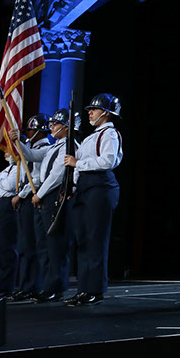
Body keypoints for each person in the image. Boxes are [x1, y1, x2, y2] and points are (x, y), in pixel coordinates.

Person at [63, 93, 123, 306]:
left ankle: (95, 289)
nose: (90, 113)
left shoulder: (110, 134)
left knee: (95, 240)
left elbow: (107, 161)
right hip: (86, 187)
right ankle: (84, 288)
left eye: (94, 109)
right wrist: (73, 186)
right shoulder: (91, 137)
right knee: (84, 241)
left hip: (100, 186)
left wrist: (77, 163)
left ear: (106, 113)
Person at [29, 108, 80, 302]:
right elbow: (33, 157)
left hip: (56, 195)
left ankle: (55, 286)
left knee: (56, 244)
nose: (51, 126)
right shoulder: (54, 146)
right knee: (44, 245)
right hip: (46, 195)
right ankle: (46, 285)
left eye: (56, 123)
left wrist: (39, 194)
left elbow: (57, 174)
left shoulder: (69, 145)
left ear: (67, 126)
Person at [7, 114, 52, 301]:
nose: (29, 133)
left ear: (41, 131)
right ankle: (26, 285)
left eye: (32, 130)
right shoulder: (31, 148)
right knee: (25, 245)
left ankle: (33, 286)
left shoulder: (46, 149)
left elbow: (36, 177)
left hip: (33, 196)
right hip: (26, 197)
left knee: (32, 245)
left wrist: (21, 194)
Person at [0, 152, 20, 297]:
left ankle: (6, 287)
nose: (5, 153)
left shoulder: (19, 168)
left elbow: (10, 186)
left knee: (7, 248)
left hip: (7, 207)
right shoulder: (6, 169)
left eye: (8, 150)